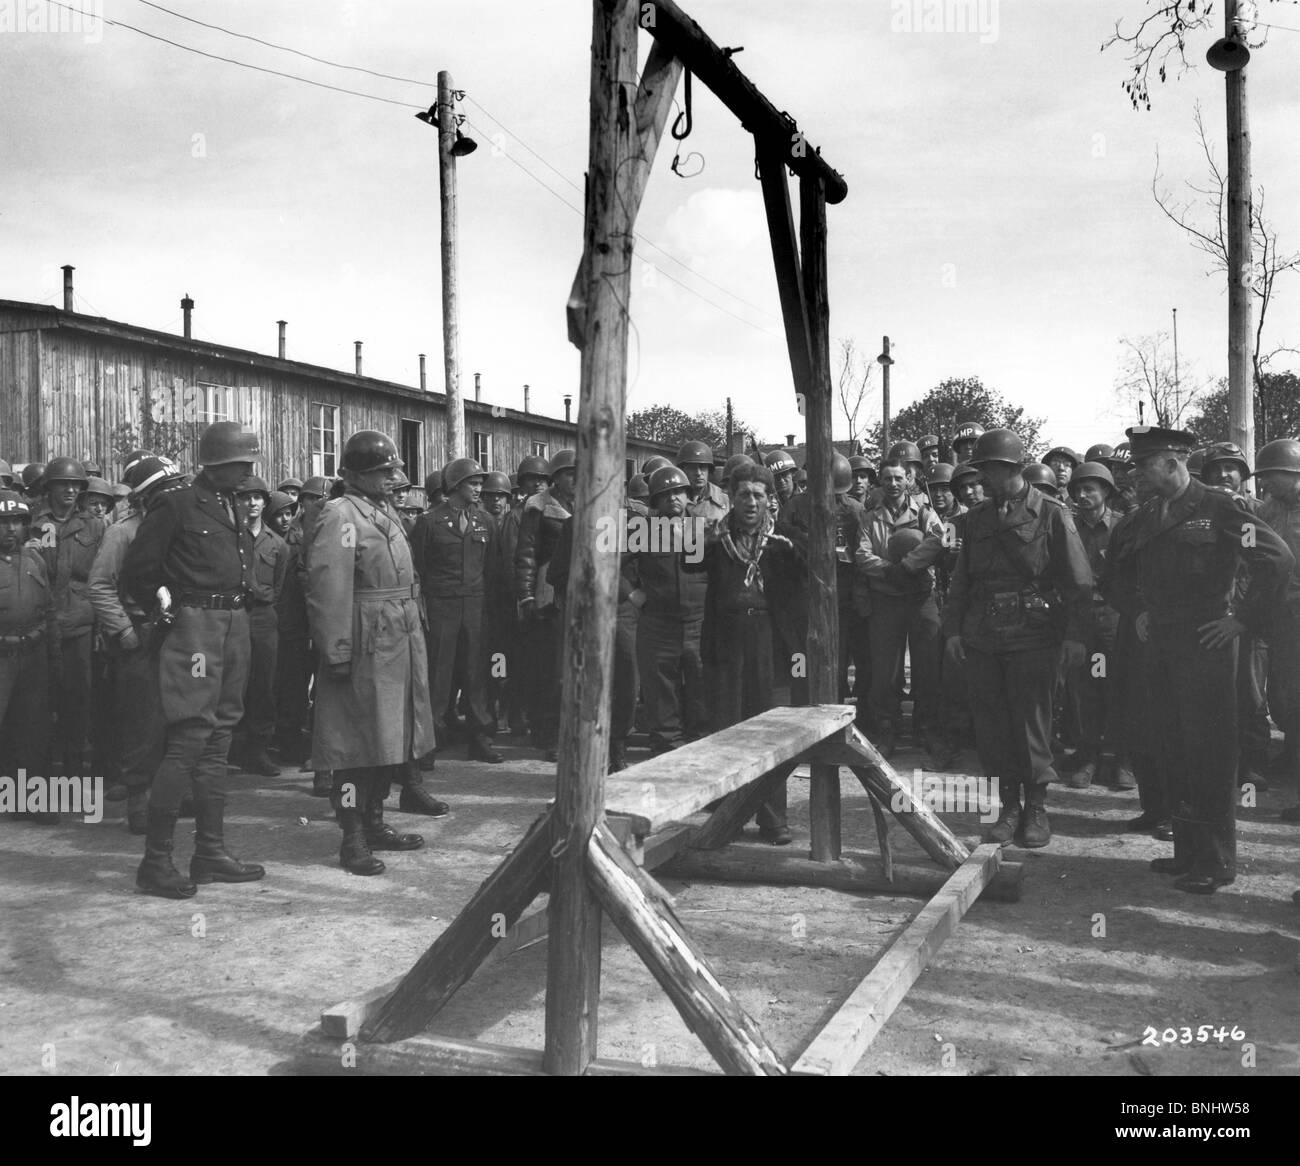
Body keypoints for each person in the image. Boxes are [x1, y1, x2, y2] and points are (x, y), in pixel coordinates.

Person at [1106, 426, 1292, 894]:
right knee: (1172, 745)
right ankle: (1185, 852)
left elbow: (1278, 559)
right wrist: (1138, 610)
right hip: (1161, 645)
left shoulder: (1221, 507)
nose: (1139, 476)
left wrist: (1243, 620)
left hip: (1209, 644)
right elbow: (1114, 573)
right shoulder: (1147, 516)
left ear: (1172, 462)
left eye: (1146, 466)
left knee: (1210, 750)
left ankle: (1215, 861)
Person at [121, 421, 267, 898]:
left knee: (220, 738)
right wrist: (168, 611)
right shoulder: (177, 501)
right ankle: (156, 862)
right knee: (189, 739)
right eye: (242, 463)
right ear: (220, 463)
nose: (249, 470)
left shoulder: (230, 502)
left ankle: (210, 852)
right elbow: (139, 573)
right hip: (196, 631)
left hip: (233, 626)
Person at [943, 429, 1093, 849]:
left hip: (1034, 634)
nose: (983, 479)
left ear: (1009, 468)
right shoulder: (974, 520)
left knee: (1032, 724)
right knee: (992, 726)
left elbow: (1079, 581)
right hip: (984, 637)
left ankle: (1037, 808)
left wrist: (1075, 638)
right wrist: (953, 630)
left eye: (989, 469)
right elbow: (961, 581)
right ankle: (1009, 807)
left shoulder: (1051, 513)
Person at [306, 430, 439, 876]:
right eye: (383, 471)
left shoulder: (383, 510)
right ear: (355, 475)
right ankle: (352, 836)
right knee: (351, 747)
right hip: (364, 639)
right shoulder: (339, 515)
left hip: (397, 636)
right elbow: (329, 588)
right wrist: (338, 650)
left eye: (393, 470)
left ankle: (376, 822)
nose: (393, 477)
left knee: (390, 739)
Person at [685, 463, 804, 844]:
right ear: (730, 499)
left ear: (769, 499)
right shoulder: (717, 540)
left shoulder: (787, 539)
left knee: (770, 732)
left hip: (771, 641)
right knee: (728, 728)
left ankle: (774, 819)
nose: (750, 502)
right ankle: (727, 817)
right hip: (727, 640)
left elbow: (814, 573)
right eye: (742, 495)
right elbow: (686, 557)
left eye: (757, 495)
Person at [87, 453, 185, 834]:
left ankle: (174, 795)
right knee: (141, 723)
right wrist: (124, 630)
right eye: (165, 488)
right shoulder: (122, 533)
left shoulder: (182, 526)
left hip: (180, 633)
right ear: (145, 497)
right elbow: (100, 586)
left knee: (181, 718)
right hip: (141, 634)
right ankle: (138, 802)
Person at [412, 456, 503, 764]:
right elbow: (419, 570)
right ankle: (429, 741)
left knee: (477, 674)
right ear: (454, 486)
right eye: (473, 484)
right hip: (441, 607)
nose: (479, 489)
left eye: (480, 483)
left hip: (476, 609)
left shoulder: (485, 521)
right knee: (438, 676)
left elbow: (493, 571)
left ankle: (480, 736)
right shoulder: (429, 521)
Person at [855, 458, 947, 761]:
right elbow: (862, 554)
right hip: (886, 599)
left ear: (908, 481)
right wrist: (888, 571)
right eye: (887, 479)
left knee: (928, 667)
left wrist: (907, 566)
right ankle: (887, 730)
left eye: (898, 478)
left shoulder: (923, 512)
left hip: (920, 598)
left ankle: (928, 729)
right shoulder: (870, 518)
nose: (893, 484)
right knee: (886, 671)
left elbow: (937, 541)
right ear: (880, 483)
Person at [622, 465, 709, 756]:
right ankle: (665, 757)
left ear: (688, 496)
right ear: (655, 501)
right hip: (658, 627)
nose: (673, 498)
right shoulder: (642, 529)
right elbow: (606, 563)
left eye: (679, 492)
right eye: (666, 494)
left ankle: (697, 756)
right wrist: (631, 593)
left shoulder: (704, 527)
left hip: (698, 626)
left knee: (700, 696)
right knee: (661, 699)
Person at [30, 456, 107, 777]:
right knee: (39, 702)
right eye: (63, 484)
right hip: (40, 626)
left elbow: (105, 578)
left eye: (76, 485)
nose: (70, 491)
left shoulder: (94, 525)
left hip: (80, 625)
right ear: (49, 487)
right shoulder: (32, 522)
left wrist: (102, 625)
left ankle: (74, 770)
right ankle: (43, 771)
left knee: (78, 701)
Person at [1202, 441, 1271, 791]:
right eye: (1215, 469)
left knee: (1250, 690)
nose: (1223, 474)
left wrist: (1249, 612)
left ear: (1243, 474)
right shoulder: (1203, 511)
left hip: (1250, 615)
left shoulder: (1260, 511)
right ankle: (1222, 764)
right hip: (1213, 614)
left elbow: (1274, 564)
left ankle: (1254, 763)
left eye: (1230, 467)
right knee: (1214, 693)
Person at [1062, 462, 1126, 789]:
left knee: (1118, 687)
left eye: (1090, 489)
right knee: (1084, 689)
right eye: (1078, 490)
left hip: (1114, 618)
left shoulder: (1122, 526)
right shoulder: (1068, 527)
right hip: (1081, 618)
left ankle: (1119, 757)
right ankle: (1089, 754)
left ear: (1106, 492)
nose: (1083, 495)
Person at [0, 491, 59, 824]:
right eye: (4, 522)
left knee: (33, 731)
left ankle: (32, 802)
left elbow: (49, 611)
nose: (11, 529)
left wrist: (53, 659)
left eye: (18, 522)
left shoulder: (35, 561)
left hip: (33, 655)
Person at [514, 449, 576, 760]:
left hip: (582, 592)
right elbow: (526, 552)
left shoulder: (592, 506)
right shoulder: (537, 508)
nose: (575, 479)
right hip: (549, 591)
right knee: (550, 667)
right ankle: (546, 732)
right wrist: (526, 595)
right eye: (568, 473)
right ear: (556, 478)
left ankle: (570, 730)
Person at [1255, 438, 1300, 823]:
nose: (1265, 483)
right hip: (1281, 620)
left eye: (1271, 475)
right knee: (1286, 700)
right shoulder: (1268, 510)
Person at [232, 476, 288, 777]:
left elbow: (278, 587)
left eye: (257, 498)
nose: (251, 503)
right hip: (234, 614)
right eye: (245, 497)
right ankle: (228, 750)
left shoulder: (278, 544)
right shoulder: (228, 537)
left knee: (263, 686)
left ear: (265, 503)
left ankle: (258, 751)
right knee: (230, 684)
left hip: (264, 618)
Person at [678, 440, 730, 527]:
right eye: (692, 468)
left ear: (709, 470)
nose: (698, 473)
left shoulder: (725, 501)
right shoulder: (672, 499)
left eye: (702, 467)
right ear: (682, 470)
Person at [762, 449, 797, 516]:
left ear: (792, 473)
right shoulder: (768, 502)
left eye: (784, 474)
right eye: (776, 477)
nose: (781, 480)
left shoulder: (805, 499)